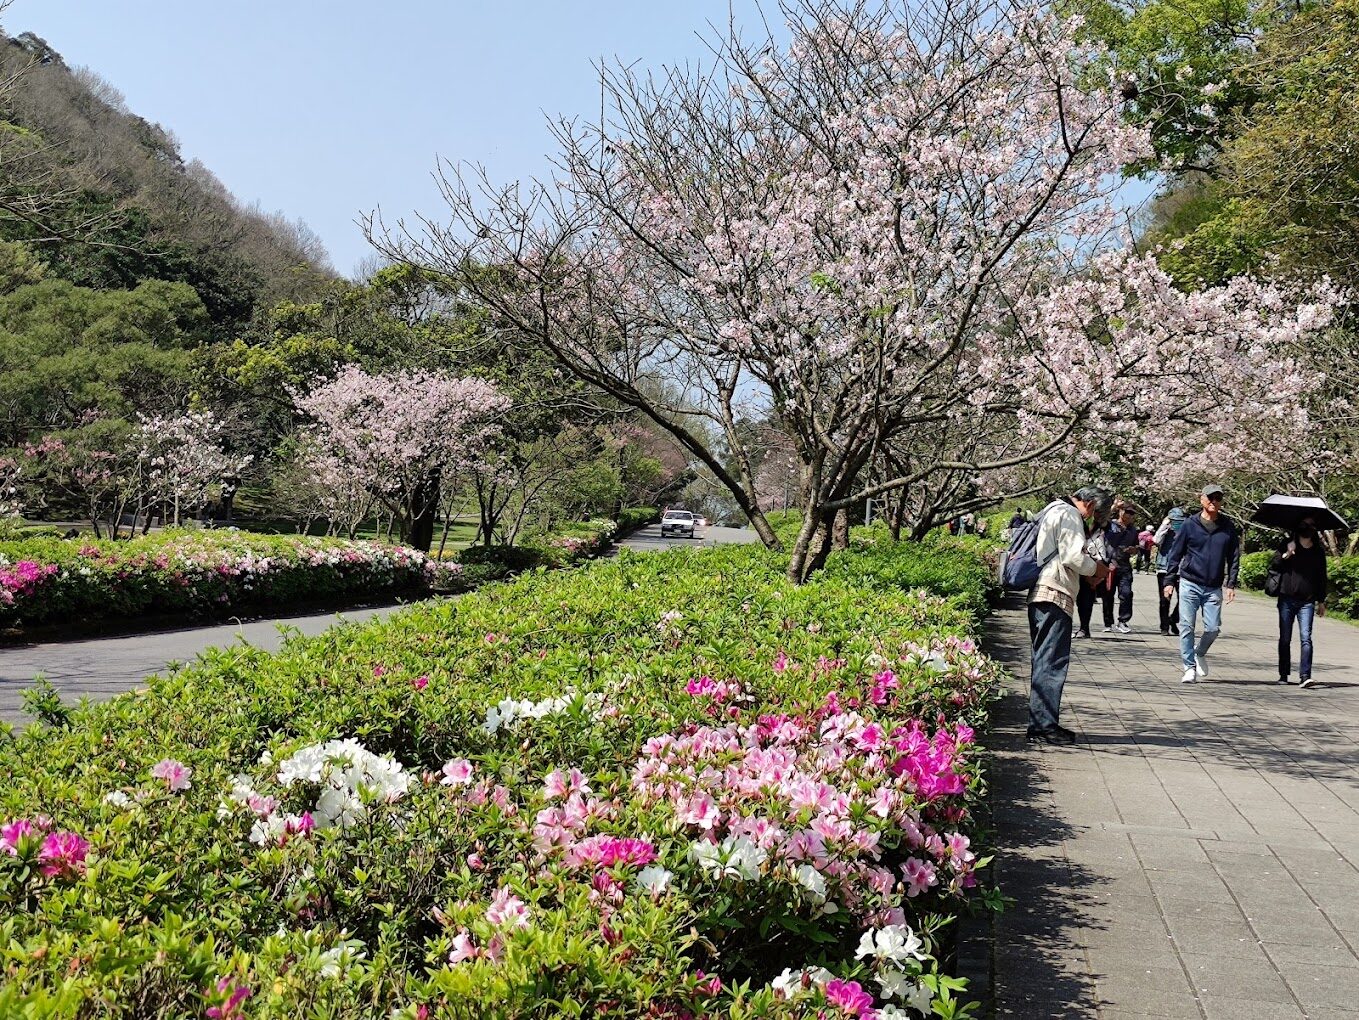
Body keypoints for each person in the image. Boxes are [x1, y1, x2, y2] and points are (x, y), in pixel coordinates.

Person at [1028, 485, 1114, 744]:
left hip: (1041, 593)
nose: (1091, 517)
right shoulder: (1068, 514)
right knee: (1052, 662)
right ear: (1089, 504)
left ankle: (1040, 723)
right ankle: (1044, 727)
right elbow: (1073, 557)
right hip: (1055, 592)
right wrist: (1097, 569)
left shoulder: (1052, 509)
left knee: (1043, 660)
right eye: (1094, 512)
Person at [1162, 483, 1241, 683]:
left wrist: (1231, 583)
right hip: (1190, 582)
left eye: (1218, 498)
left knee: (1213, 628)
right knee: (1186, 626)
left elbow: (1233, 556)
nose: (1214, 502)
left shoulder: (1227, 527)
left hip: (1213, 586)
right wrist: (1169, 580)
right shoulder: (1190, 524)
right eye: (1211, 498)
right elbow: (1175, 553)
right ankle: (1188, 667)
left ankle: (1200, 652)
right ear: (1202, 499)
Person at [1272, 518, 1328, 688]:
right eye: (1305, 526)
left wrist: (1321, 601)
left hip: (1307, 601)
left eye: (1311, 526)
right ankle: (1283, 674)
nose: (1308, 529)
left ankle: (1305, 675)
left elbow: (1321, 577)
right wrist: (1286, 555)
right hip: (1286, 599)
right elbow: (1274, 565)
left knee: (1306, 638)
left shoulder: (1318, 551)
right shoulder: (1288, 544)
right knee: (1285, 639)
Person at [1104, 507, 1141, 633]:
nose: (1129, 516)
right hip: (1110, 565)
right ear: (1121, 512)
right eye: (1127, 512)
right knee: (1108, 595)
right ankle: (1108, 622)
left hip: (1125, 566)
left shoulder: (1133, 530)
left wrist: (1133, 549)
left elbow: (1137, 546)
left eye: (1132, 514)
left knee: (1126, 593)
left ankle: (1123, 621)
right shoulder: (1112, 525)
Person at [1153, 507, 1186, 635]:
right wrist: (1164, 525)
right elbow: (1156, 540)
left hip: (1181, 569)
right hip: (1164, 568)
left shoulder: (1185, 531)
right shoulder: (1165, 531)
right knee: (1164, 598)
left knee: (1184, 598)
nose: (1176, 524)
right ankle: (1164, 626)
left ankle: (1173, 619)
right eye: (1173, 521)